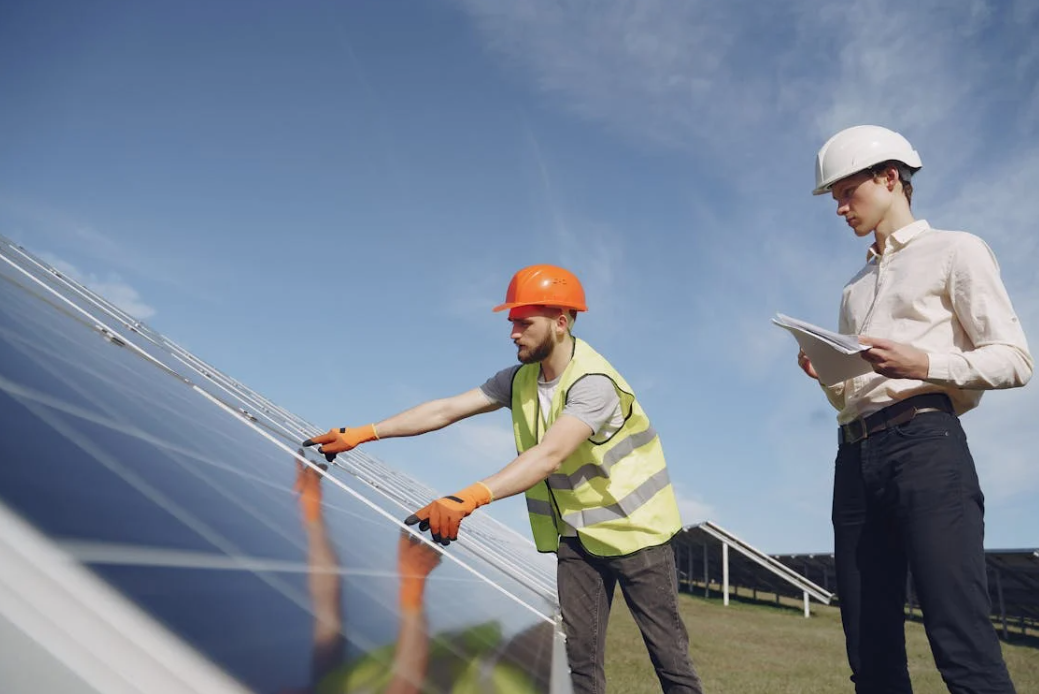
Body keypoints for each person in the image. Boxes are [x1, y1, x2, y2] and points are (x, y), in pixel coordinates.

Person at [305, 264, 704, 694]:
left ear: (560, 322)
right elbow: (446, 410)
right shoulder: (518, 379)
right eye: (512, 321)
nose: (513, 332)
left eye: (523, 322)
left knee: (669, 659)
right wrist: (365, 433)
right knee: (578, 664)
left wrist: (470, 497)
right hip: (577, 538)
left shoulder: (595, 385)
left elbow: (549, 455)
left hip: (636, 535)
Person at [800, 125, 1033, 693]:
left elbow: (1015, 360)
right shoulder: (853, 289)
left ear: (889, 179)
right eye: (833, 196)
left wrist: (925, 363)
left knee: (959, 635)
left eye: (846, 191)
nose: (838, 207)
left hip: (925, 447)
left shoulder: (956, 250)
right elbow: (857, 388)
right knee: (868, 644)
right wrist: (828, 375)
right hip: (854, 458)